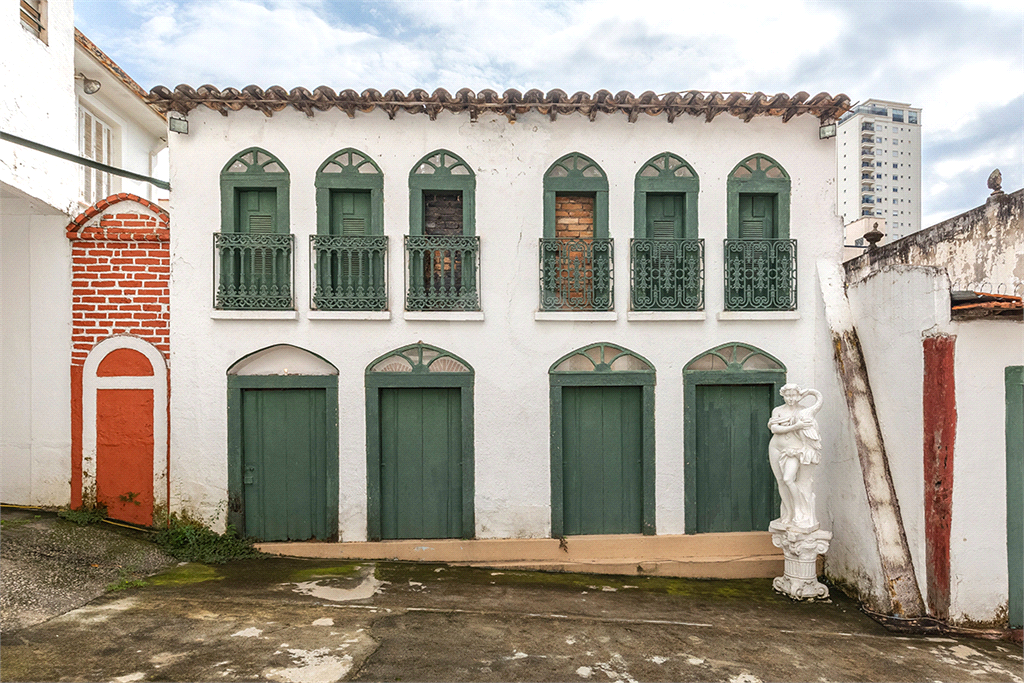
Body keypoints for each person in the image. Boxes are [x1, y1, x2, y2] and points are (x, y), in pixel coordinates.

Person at [768, 384, 823, 531]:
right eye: (787, 395)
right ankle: (789, 512)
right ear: (783, 396)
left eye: (793, 395)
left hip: (793, 449)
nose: (790, 399)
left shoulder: (803, 411)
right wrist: (795, 426)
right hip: (775, 447)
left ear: (799, 396)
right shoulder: (778, 410)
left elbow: (808, 429)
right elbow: (774, 429)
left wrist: (794, 426)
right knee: (780, 481)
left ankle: (799, 509)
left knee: (788, 479)